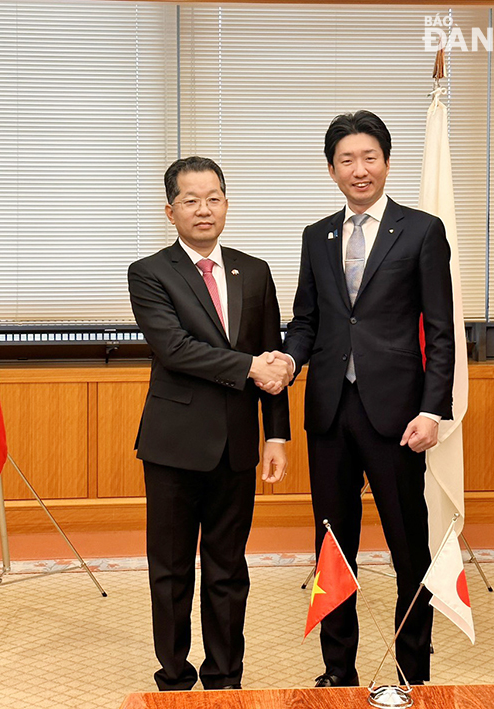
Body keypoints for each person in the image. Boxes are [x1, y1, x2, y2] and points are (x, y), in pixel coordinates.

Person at [272, 110, 455, 686]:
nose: (359, 169)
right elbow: (306, 321)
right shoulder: (316, 236)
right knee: (333, 547)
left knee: (409, 548)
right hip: (329, 412)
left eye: (369, 157)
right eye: (346, 160)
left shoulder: (421, 231)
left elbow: (442, 329)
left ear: (387, 162)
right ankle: (337, 670)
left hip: (398, 415)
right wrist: (288, 359)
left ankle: (412, 670)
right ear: (331, 169)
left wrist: (432, 410)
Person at [127, 156, 291, 692]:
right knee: (171, 572)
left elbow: (275, 360)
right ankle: (173, 677)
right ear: (170, 210)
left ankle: (225, 678)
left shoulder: (255, 270)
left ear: (227, 203)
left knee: (228, 571)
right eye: (191, 200)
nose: (204, 209)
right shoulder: (150, 273)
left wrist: (278, 434)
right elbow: (174, 350)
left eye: (214, 198)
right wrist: (247, 366)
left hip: (238, 447)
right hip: (174, 448)